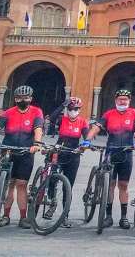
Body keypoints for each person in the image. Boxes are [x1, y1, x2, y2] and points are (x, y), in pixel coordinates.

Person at [0, 85, 43, 228]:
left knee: (22, 185)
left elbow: (38, 128)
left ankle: (23, 218)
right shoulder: (8, 113)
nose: (22, 100)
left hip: (26, 152)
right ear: (15, 99)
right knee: (10, 184)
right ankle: (5, 215)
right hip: (7, 150)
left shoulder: (36, 112)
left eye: (25, 98)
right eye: (19, 98)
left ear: (30, 99)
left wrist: (37, 143)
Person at [85, 88, 135, 229]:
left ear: (129, 101)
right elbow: (97, 127)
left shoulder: (133, 113)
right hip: (111, 152)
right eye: (120, 99)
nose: (122, 101)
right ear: (115, 100)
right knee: (110, 185)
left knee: (123, 186)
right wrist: (87, 139)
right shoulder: (109, 114)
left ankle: (124, 217)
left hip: (126, 153)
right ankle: (108, 216)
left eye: (125, 99)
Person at [51, 96, 89, 227]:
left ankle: (65, 216)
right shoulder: (62, 119)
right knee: (52, 178)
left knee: (68, 186)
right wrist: (63, 105)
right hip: (59, 151)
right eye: (71, 108)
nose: (73, 111)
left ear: (79, 109)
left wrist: (84, 146)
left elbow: (86, 137)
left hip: (73, 154)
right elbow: (51, 118)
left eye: (76, 109)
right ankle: (51, 201)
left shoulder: (82, 122)